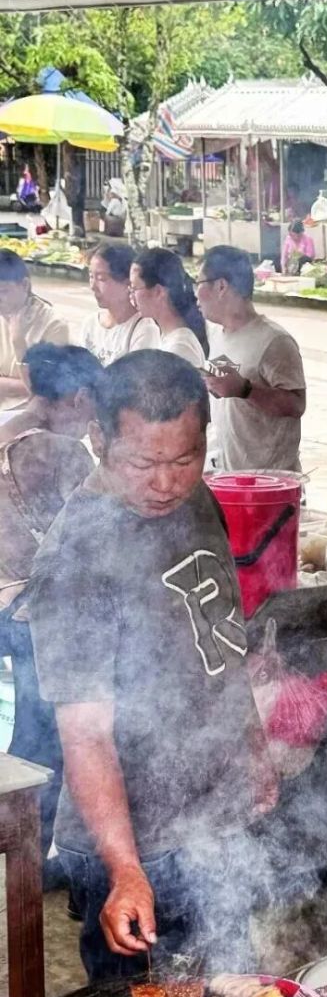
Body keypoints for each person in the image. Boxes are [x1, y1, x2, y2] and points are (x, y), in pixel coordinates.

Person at [28, 350, 277, 982]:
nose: (166, 482)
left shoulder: (196, 500)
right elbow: (85, 733)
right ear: (99, 439)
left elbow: (220, 643)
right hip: (135, 840)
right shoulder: (78, 559)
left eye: (184, 459)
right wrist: (125, 870)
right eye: (142, 463)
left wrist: (251, 749)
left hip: (214, 817)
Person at [0, 344, 102, 879]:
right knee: (51, 743)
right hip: (35, 613)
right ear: (79, 397)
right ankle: (33, 870)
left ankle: (26, 858)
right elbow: (91, 539)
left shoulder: (6, 427)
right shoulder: (62, 452)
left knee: (28, 735)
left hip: (3, 606)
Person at [196, 245, 307, 472]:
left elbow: (296, 405)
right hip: (230, 475)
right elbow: (228, 390)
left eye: (198, 283)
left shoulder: (275, 340)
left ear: (221, 286)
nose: (195, 294)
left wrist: (246, 390)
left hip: (268, 480)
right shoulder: (218, 335)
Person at [0, 248, 70, 407]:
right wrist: (16, 385)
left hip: (29, 412)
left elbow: (45, 390)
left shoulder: (53, 325)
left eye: (3, 291)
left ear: (25, 285)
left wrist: (18, 342)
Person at [81, 246, 160, 366]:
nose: (93, 286)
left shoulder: (144, 331)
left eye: (101, 278)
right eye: (91, 276)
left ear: (128, 282)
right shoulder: (90, 324)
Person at [130, 248, 209, 368]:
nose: (131, 295)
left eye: (134, 288)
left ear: (158, 292)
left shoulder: (180, 349)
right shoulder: (164, 336)